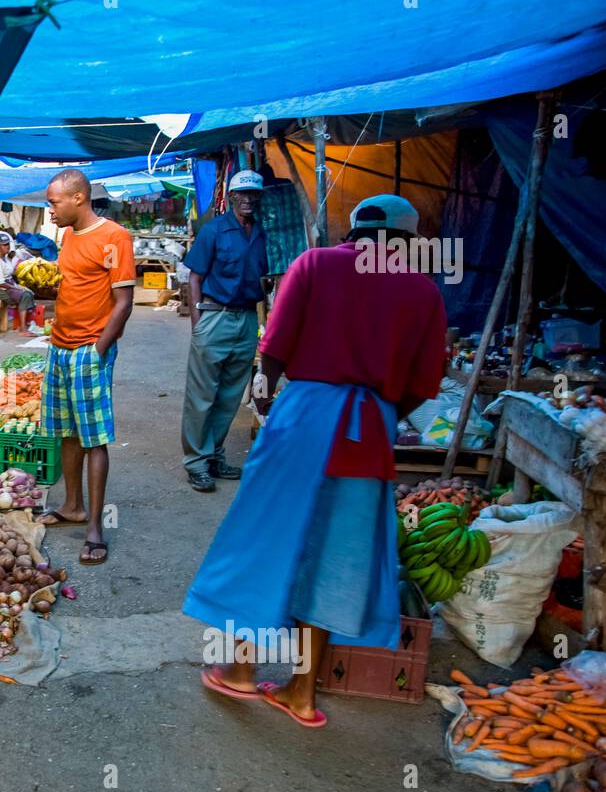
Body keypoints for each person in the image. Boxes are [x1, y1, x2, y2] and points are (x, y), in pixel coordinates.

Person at [182, 195, 448, 728]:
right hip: (368, 430)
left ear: (353, 231)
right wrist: (381, 408)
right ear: (408, 241)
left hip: (303, 419)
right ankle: (302, 693)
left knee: (265, 541)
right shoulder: (423, 292)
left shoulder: (315, 263)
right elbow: (424, 384)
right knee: (337, 561)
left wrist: (270, 394)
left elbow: (275, 346)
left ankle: (239, 672)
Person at [34, 169, 134, 566]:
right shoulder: (68, 236)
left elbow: (123, 303)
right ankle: (72, 505)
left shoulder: (114, 237)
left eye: (53, 202)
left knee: (94, 438)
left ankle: (94, 527)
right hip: (59, 347)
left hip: (89, 350)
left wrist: (99, 349)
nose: (50, 209)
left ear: (78, 198)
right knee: (66, 433)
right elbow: (71, 285)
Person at [180, 169, 268, 492]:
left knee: (230, 396)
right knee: (201, 396)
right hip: (214, 316)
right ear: (230, 198)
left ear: (258, 198)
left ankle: (215, 455)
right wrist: (197, 323)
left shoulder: (260, 233)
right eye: (241, 194)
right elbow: (195, 277)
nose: (247, 199)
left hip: (245, 320)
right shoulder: (215, 230)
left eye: (253, 194)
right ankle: (196, 463)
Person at [0, 232, 37, 335]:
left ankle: (23, 324)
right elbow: (0, 283)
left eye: (8, 244)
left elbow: (9, 276)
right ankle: (23, 329)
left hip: (6, 287)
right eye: (4, 245)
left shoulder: (6, 258)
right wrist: (17, 289)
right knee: (24, 295)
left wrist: (18, 286)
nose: (7, 247)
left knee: (29, 293)